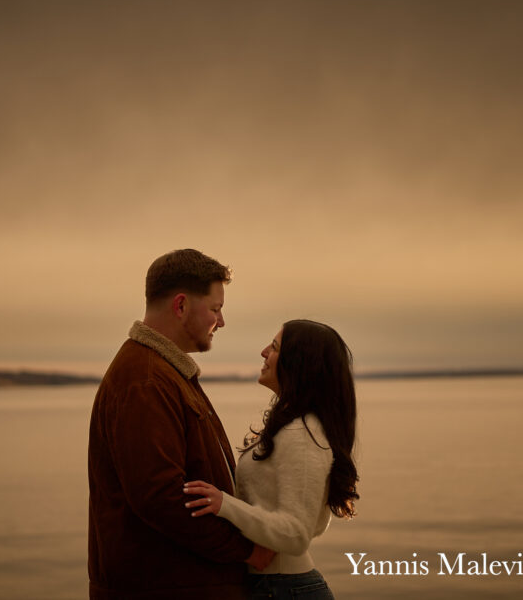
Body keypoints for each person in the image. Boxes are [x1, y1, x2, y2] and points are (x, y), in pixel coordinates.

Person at [87, 248, 274, 599]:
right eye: (216, 309)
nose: (221, 321)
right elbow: (161, 497)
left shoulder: (163, 372)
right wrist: (245, 550)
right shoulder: (145, 381)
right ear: (181, 306)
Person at [183, 319, 360, 600]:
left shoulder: (302, 434)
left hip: (286, 588)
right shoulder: (294, 428)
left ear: (298, 363)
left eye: (275, 347)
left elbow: (297, 533)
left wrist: (224, 505)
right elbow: (311, 520)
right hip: (277, 586)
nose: (264, 352)